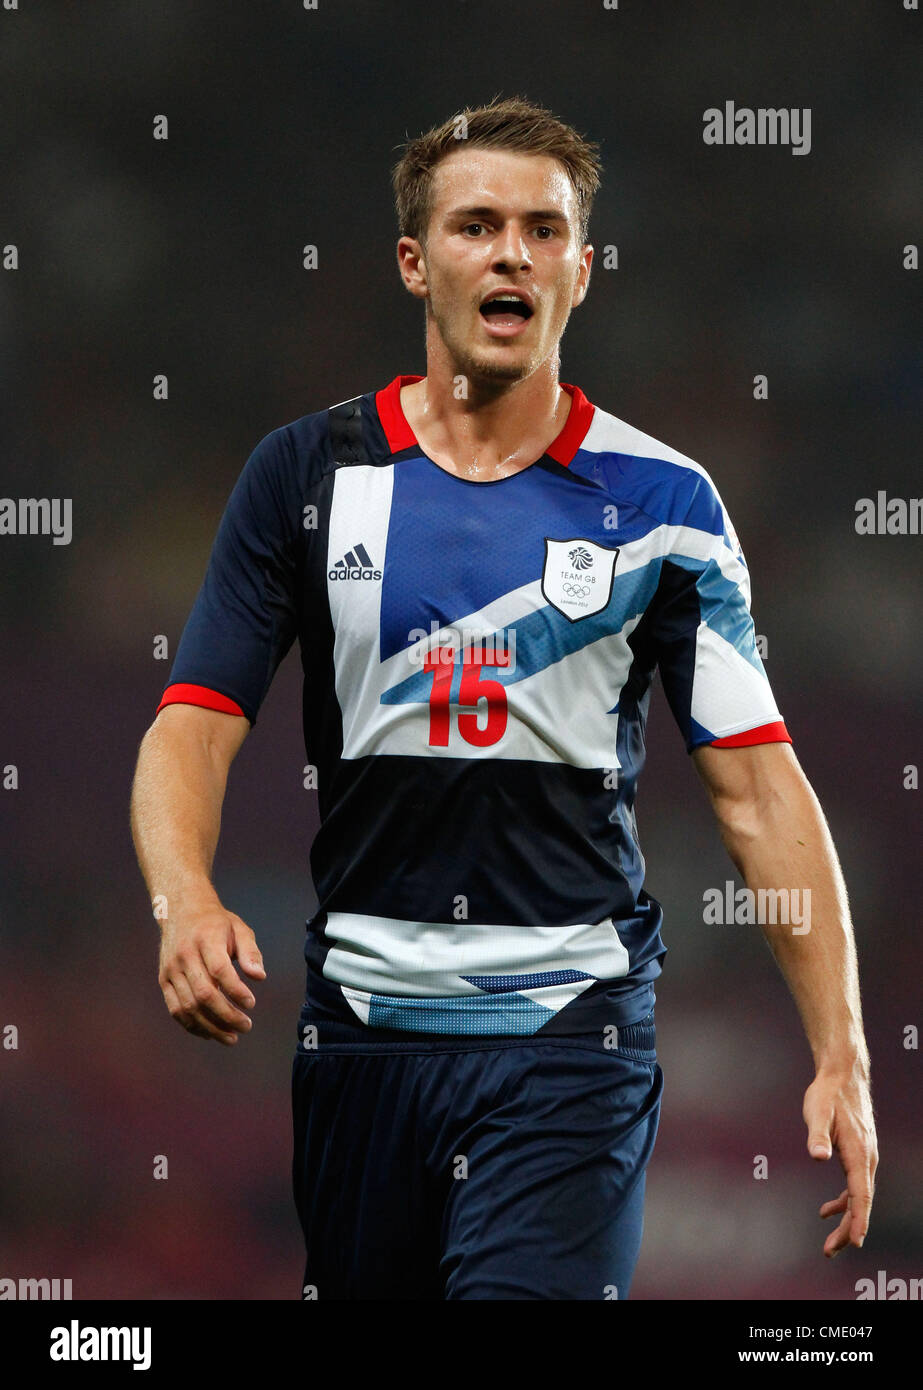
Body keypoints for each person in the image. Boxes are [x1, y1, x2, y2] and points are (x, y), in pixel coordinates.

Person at [130, 95, 877, 1300]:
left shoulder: (664, 504)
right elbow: (192, 727)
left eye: (543, 229)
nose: (512, 251)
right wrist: (184, 902)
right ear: (416, 266)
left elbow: (755, 788)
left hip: (571, 1036)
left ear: (580, 270)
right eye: (477, 225)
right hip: (361, 1036)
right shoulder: (307, 474)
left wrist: (840, 1051)